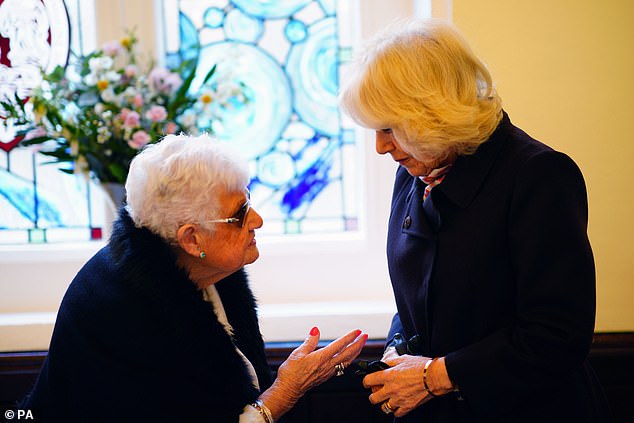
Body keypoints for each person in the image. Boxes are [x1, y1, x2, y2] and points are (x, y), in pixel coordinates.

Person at [339, 18, 610, 422]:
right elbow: (420, 300)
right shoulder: (414, 173)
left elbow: (557, 336)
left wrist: (436, 375)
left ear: (434, 112)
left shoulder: (539, 175)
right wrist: (399, 348)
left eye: (389, 128)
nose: (380, 147)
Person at [21, 134, 368, 421]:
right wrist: (282, 393)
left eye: (250, 201)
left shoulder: (204, 271)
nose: (258, 220)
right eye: (240, 214)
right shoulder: (127, 314)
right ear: (191, 239)